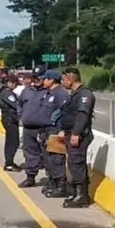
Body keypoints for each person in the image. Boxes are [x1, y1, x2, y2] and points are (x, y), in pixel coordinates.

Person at [57, 68, 96, 208]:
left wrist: (76, 133)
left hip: (79, 136)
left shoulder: (85, 94)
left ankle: (82, 196)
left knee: (77, 164)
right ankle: (76, 193)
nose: (62, 82)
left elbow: (82, 114)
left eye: (63, 80)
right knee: (73, 164)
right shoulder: (75, 94)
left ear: (70, 79)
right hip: (70, 133)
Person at [38, 70, 71, 198]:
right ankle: (53, 182)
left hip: (55, 130)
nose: (43, 81)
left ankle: (61, 186)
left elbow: (65, 112)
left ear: (52, 80)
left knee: (56, 158)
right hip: (45, 130)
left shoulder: (61, 94)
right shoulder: (48, 93)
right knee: (48, 158)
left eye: (45, 79)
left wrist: (62, 129)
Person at [17, 73, 48, 188]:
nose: (37, 80)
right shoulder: (26, 91)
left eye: (40, 77)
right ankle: (30, 177)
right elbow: (19, 104)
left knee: (47, 154)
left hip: (43, 129)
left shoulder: (48, 92)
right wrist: (21, 116)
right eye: (35, 77)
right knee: (29, 153)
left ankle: (52, 181)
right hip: (28, 128)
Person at [0, 74, 21, 171]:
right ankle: (9, 163)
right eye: (15, 84)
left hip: (10, 119)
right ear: (10, 83)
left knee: (10, 141)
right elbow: (16, 104)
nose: (16, 86)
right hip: (9, 120)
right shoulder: (7, 93)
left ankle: (9, 162)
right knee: (13, 142)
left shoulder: (5, 91)